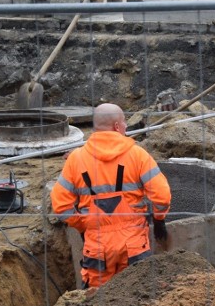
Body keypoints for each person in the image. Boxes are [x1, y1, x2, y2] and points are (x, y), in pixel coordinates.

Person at [51, 103, 172, 288]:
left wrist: (83, 226)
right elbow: (162, 196)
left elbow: (60, 206)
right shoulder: (137, 155)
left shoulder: (76, 159)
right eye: (124, 122)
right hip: (133, 245)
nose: (125, 127)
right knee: (139, 295)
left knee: (98, 304)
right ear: (117, 126)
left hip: (97, 247)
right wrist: (159, 220)